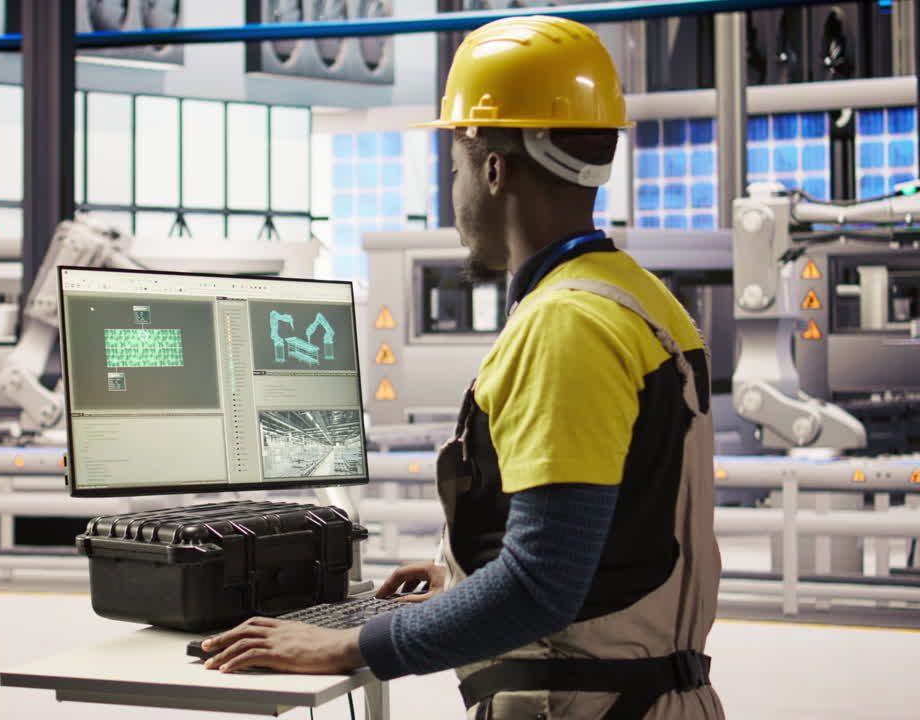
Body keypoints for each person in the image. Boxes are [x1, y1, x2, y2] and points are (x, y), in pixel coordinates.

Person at [200, 15, 724, 719]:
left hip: (584, 708)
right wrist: (464, 572)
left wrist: (354, 642)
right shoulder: (636, 294)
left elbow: (540, 586)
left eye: (454, 169)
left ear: (493, 167)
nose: (456, 196)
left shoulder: (565, 324)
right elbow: (621, 534)